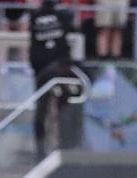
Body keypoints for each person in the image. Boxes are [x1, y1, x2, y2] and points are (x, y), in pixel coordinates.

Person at [29, 0, 80, 158]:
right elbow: (73, 28)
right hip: (59, 67)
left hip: (43, 69)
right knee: (65, 106)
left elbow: (34, 44)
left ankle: (40, 150)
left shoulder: (35, 17)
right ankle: (67, 144)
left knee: (41, 109)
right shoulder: (62, 15)